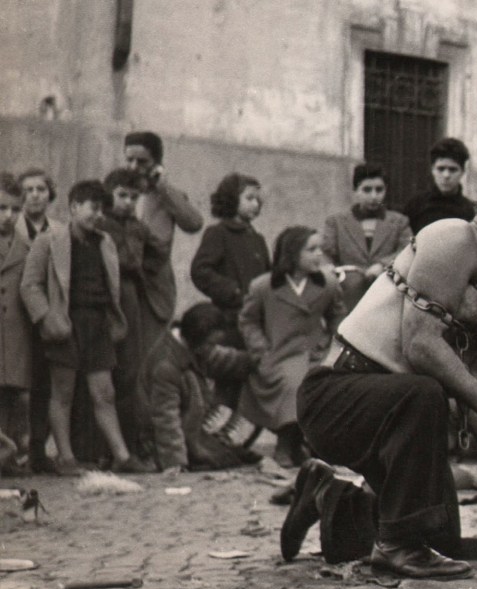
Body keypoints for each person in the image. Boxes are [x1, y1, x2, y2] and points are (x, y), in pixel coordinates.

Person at [288, 164, 477, 579]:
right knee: (425, 391)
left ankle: (327, 493)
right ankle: (396, 544)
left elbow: (474, 377)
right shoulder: (453, 237)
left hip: (401, 411)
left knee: (439, 537)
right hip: (336, 397)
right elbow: (421, 345)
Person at [20, 180, 153, 474]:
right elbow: (30, 286)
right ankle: (66, 458)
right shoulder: (49, 240)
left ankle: (121, 455)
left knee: (104, 392)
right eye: (93, 208)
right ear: (74, 207)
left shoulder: (104, 242)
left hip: (97, 325)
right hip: (65, 324)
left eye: (102, 209)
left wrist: (110, 320)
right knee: (62, 393)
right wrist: (48, 319)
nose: (98, 215)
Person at [239, 227, 346, 468]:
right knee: (293, 383)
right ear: (291, 254)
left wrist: (333, 345)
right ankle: (286, 444)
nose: (319, 254)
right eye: (311, 249)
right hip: (279, 354)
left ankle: (301, 444)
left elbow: (338, 316)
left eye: (320, 248)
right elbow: (248, 320)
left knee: (316, 382)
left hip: (315, 354)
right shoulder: (264, 286)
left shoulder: (327, 284)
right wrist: (261, 351)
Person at [98, 168, 169, 463]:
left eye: (133, 197)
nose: (127, 202)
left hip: (130, 295)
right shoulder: (100, 224)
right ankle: (97, 449)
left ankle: (127, 448)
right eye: (122, 196)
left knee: (130, 373)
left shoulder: (139, 228)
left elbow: (158, 252)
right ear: (108, 196)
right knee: (102, 373)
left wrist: (141, 270)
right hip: (103, 295)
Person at [143, 303, 258, 472]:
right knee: (217, 457)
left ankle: (219, 447)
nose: (214, 348)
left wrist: (259, 361)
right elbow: (165, 417)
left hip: (189, 422)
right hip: (165, 435)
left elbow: (224, 359)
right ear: (197, 341)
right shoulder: (166, 365)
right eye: (211, 344)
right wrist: (174, 461)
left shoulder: (194, 347)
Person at [122, 130, 204, 348]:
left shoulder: (167, 196)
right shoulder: (118, 193)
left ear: (156, 163)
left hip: (155, 292)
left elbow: (194, 223)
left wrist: (163, 188)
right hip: (124, 289)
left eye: (142, 161)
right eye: (129, 159)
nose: (133, 167)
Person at [321, 164, 412, 311]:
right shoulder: (336, 222)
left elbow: (407, 250)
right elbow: (325, 253)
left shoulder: (399, 222)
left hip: (385, 296)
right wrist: (329, 270)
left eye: (379, 190)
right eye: (367, 190)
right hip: (348, 298)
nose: (374, 196)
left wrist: (383, 265)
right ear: (355, 191)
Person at [15, 168, 59, 472]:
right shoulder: (11, 228)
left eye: (41, 189)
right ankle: (15, 448)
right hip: (15, 316)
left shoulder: (58, 231)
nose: (34, 195)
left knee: (44, 383)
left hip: (45, 316)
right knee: (17, 385)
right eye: (28, 190)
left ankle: (39, 450)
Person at [190, 173, 270, 323]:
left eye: (258, 200)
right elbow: (200, 271)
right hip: (228, 317)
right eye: (249, 198)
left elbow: (267, 276)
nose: (256, 204)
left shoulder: (258, 240)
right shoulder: (219, 233)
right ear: (232, 198)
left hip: (257, 318)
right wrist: (232, 291)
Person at [0, 175, 33, 471]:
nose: (7, 216)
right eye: (0, 208)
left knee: (14, 396)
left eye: (14, 209)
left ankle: (10, 457)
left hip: (14, 332)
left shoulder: (26, 245)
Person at [402, 138, 477, 234]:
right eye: (441, 169)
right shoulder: (415, 206)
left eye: (453, 169)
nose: (446, 175)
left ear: (463, 171)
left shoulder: (471, 210)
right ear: (432, 169)